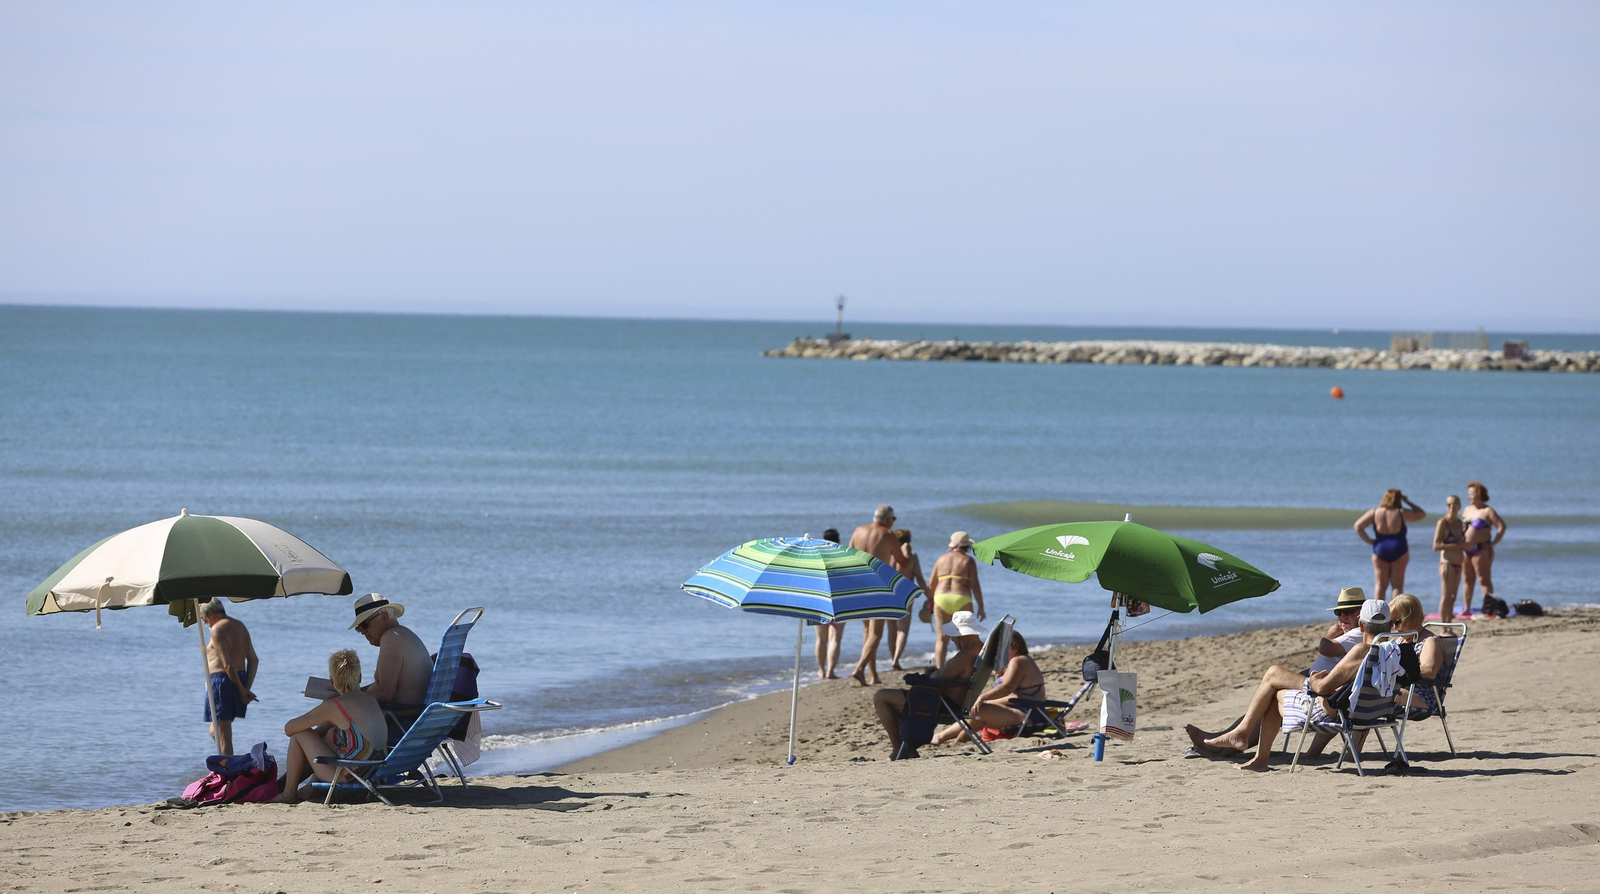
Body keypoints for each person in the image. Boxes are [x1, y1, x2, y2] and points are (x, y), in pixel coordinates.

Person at [1184, 587, 1366, 756]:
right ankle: (1227, 738)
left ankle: (1229, 742)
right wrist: (1313, 753)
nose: (1342, 616)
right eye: (1338, 613)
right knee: (1267, 694)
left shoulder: (1358, 634)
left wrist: (1330, 634)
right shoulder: (1371, 640)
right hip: (1332, 697)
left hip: (1320, 695)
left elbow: (1325, 648)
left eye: (1348, 612)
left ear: (1362, 615)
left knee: (1273, 676)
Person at [1228, 599, 1393, 772]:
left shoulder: (1361, 650)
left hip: (1333, 712)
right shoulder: (1393, 652)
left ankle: (1258, 757)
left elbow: (1322, 689)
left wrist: (1313, 680)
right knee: (1276, 679)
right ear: (1390, 627)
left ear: (1360, 626)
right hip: (1373, 711)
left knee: (1274, 691)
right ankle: (1244, 737)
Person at [269, 649, 387, 804]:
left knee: (299, 735)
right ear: (359, 677)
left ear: (332, 681)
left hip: (350, 774)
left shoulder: (335, 706)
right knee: (332, 733)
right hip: (374, 770)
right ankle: (311, 788)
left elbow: (289, 728)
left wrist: (325, 710)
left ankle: (288, 794)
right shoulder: (370, 700)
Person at [872, 611, 986, 759]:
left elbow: (939, 682)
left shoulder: (966, 655)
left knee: (881, 697)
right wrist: (939, 672)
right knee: (895, 697)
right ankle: (907, 747)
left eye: (954, 634)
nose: (951, 639)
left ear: (962, 634)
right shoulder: (978, 649)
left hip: (940, 703)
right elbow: (949, 676)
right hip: (950, 700)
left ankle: (899, 748)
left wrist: (933, 674)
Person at [931, 631, 1045, 745]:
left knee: (978, 710)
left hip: (1029, 714)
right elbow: (1011, 694)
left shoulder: (1019, 661)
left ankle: (957, 740)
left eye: (1000, 648)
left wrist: (982, 698)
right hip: (1019, 710)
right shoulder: (1014, 663)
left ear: (1015, 647)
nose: (997, 653)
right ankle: (942, 737)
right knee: (977, 709)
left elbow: (1007, 688)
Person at [848, 505, 912, 686]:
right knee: (876, 633)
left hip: (859, 585)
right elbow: (903, 562)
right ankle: (859, 669)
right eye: (893, 520)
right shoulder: (888, 535)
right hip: (877, 586)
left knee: (868, 632)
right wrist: (909, 557)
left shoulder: (858, 531)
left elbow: (847, 557)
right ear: (888, 519)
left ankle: (873, 675)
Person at [350, 593, 432, 707]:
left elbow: (384, 695)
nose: (363, 631)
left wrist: (345, 699)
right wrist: (349, 693)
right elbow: (382, 688)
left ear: (384, 616)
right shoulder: (403, 634)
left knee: (334, 708)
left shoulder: (392, 637)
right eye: (359, 628)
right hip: (410, 713)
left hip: (401, 717)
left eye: (365, 624)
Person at [201, 601, 259, 755]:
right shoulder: (240, 626)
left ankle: (229, 774)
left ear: (210, 614)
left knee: (224, 737)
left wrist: (242, 690)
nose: (204, 622)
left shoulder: (217, 629)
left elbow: (227, 665)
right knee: (216, 730)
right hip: (239, 678)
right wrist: (246, 687)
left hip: (222, 682)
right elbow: (253, 660)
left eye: (203, 618)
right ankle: (229, 767)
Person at [1354, 489, 1427, 599]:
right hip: (1399, 548)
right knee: (1397, 586)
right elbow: (1421, 514)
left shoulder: (1374, 512)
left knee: (1380, 585)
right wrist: (1407, 501)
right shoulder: (1401, 512)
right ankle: (1396, 614)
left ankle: (1378, 614)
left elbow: (1358, 526)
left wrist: (1369, 540)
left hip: (1380, 548)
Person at [927, 532, 985, 668]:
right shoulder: (968, 560)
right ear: (967, 545)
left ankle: (939, 671)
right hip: (961, 598)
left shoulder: (941, 559)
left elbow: (931, 584)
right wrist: (981, 606)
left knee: (941, 639)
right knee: (966, 638)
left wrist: (929, 600)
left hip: (941, 598)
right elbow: (974, 585)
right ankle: (966, 667)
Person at [1460, 481, 1507, 617]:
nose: (1469, 496)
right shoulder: (1467, 509)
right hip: (1466, 549)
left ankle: (1489, 608)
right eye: (1468, 494)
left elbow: (1502, 527)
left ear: (1480, 494)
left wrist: (1493, 543)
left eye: (1472, 494)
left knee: (1483, 579)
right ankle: (1466, 607)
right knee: (1467, 579)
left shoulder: (1487, 511)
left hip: (1482, 549)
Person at [889, 528, 931, 671]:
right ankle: (895, 659)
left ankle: (893, 658)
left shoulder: (890, 555)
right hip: (905, 593)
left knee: (892, 629)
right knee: (903, 630)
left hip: (889, 593)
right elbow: (920, 579)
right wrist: (930, 597)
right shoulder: (912, 558)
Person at [814, 528, 845, 679]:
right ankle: (830, 671)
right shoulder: (842, 558)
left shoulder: (816, 557)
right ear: (838, 542)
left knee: (820, 638)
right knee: (835, 638)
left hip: (818, 600)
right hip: (838, 601)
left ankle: (820, 670)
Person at [1432, 496, 1468, 623]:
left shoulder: (1460, 523)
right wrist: (1458, 546)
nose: (1452, 507)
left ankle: (1449, 624)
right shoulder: (1443, 522)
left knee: (1453, 597)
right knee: (1446, 596)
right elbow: (1436, 545)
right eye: (1449, 505)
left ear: (1459, 506)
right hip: (1447, 564)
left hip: (1458, 563)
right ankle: (1444, 627)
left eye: (1455, 505)